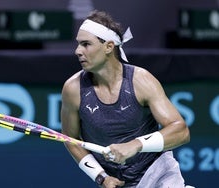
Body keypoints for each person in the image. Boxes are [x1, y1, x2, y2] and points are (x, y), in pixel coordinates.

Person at [60, 10, 190, 188]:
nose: (78, 51)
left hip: (159, 174)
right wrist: (101, 177)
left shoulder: (140, 80)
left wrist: (135, 145)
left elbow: (181, 131)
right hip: (120, 183)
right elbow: (71, 139)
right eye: (78, 44)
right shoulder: (73, 89)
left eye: (86, 44)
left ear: (108, 46)